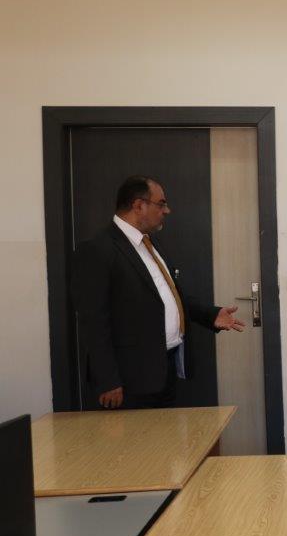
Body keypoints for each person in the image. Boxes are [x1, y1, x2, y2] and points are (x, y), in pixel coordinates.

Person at [71, 175, 245, 409]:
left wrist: (210, 314)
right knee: (136, 435)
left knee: (166, 433)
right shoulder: (98, 249)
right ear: (138, 205)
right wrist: (108, 380)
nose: (167, 210)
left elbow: (169, 295)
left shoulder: (150, 243)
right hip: (129, 380)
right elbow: (93, 323)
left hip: (163, 370)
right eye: (161, 204)